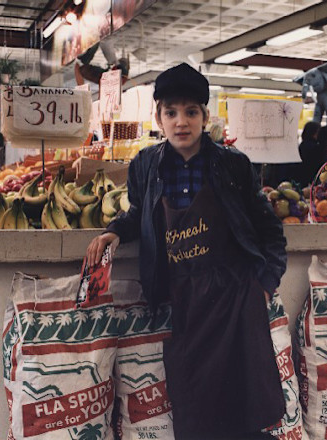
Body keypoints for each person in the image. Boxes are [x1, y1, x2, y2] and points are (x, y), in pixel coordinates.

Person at [87, 63, 286, 440]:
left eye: (191, 111)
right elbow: (138, 212)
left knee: (242, 396)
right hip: (181, 295)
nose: (181, 121)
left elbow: (268, 229)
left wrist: (266, 281)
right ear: (158, 117)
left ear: (205, 117)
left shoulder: (233, 165)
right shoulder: (146, 165)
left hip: (233, 295)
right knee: (191, 398)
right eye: (171, 112)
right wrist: (115, 232)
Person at [298, 121, 327, 187]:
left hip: (301, 177)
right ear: (315, 133)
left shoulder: (301, 145)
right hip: (312, 179)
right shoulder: (317, 148)